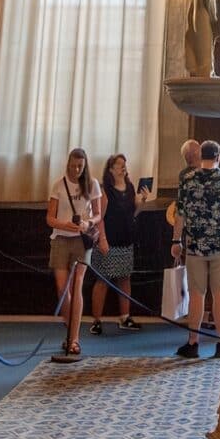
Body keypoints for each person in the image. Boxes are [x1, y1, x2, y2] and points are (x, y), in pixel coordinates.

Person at [172, 139, 220, 359]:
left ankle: (193, 343)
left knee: (196, 294)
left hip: (195, 246)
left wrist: (175, 241)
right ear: (218, 156)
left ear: (201, 156)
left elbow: (180, 214)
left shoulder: (188, 180)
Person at [46, 146, 100, 359]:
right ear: (68, 164)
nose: (77, 169)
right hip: (60, 238)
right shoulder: (58, 185)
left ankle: (74, 338)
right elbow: (49, 217)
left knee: (77, 285)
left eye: (80, 166)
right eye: (74, 165)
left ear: (85, 166)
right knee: (62, 288)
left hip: (81, 240)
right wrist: (64, 224)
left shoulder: (92, 184)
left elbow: (97, 215)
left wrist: (88, 223)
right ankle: (69, 328)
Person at [89, 152, 139, 336]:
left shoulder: (131, 187)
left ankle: (125, 317)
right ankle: (96, 320)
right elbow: (99, 218)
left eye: (124, 164)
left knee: (125, 278)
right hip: (108, 241)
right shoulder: (105, 190)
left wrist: (140, 202)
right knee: (103, 280)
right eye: (119, 164)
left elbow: (132, 213)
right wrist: (102, 239)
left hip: (126, 241)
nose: (123, 167)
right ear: (111, 169)